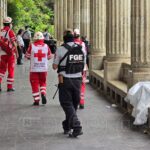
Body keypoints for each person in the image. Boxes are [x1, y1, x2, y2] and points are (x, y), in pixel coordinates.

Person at [53, 29, 85, 137]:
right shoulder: (81, 49)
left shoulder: (60, 49)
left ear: (64, 40)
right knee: (73, 105)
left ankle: (77, 126)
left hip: (65, 80)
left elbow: (54, 66)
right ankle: (67, 125)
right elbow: (83, 66)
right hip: (78, 81)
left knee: (67, 104)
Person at [25, 32, 52, 106]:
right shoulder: (46, 46)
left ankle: (36, 100)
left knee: (34, 84)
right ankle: (43, 93)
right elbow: (49, 57)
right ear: (42, 38)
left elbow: (27, 56)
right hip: (43, 69)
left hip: (34, 69)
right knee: (43, 82)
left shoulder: (32, 46)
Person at [0, 16, 18, 92]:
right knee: (11, 70)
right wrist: (17, 53)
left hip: (2, 53)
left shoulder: (0, 31)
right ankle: (9, 87)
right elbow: (14, 44)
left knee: (1, 69)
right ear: (9, 24)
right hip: (10, 54)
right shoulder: (10, 31)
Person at [74, 28, 87, 109]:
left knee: (74, 84)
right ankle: (81, 102)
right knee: (82, 84)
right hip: (82, 68)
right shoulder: (82, 44)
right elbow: (85, 56)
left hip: (73, 68)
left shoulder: (70, 44)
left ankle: (75, 101)